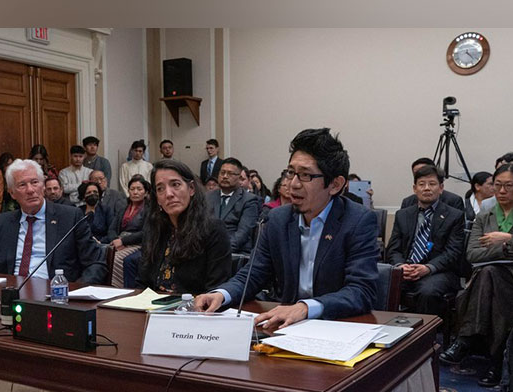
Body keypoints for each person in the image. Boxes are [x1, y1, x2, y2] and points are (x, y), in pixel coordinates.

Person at [194, 128, 380, 330]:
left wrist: (305, 308)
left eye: (306, 175)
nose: (293, 184)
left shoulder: (358, 221)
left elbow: (361, 291)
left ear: (335, 185)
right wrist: (221, 294)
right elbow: (253, 273)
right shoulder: (277, 219)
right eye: (291, 173)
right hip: (285, 329)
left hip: (337, 327)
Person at [0, 159, 106, 284]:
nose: (30, 190)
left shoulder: (70, 217)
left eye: (34, 182)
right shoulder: (1, 223)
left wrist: (74, 291)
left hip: (56, 296)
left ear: (42, 186)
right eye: (22, 185)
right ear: (12, 193)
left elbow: (96, 263)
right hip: (10, 294)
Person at [440, 164, 513, 387]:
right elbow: (473, 255)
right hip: (490, 276)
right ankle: (496, 363)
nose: (501, 191)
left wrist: (507, 238)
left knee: (488, 275)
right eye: (497, 185)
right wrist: (509, 245)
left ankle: (465, 340)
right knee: (490, 275)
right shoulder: (484, 216)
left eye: (508, 186)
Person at [133, 159, 231, 294]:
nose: (168, 194)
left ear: (191, 189)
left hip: (193, 310)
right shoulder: (154, 228)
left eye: (176, 185)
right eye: (160, 189)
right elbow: (142, 282)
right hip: (153, 309)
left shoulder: (213, 229)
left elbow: (215, 290)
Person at [386, 165, 464, 315]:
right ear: (415, 189)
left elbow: (453, 253)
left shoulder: (454, 216)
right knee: (381, 283)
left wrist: (428, 268)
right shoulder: (403, 215)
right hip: (406, 269)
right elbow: (393, 248)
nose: (427, 188)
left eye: (432, 184)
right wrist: (400, 266)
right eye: (422, 184)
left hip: (438, 272)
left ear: (441, 188)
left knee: (427, 292)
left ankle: (426, 336)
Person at [205, 157, 259, 254]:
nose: (225, 176)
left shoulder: (249, 200)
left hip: (236, 253)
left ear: (239, 178)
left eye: (230, 174)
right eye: (222, 173)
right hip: (208, 250)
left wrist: (220, 251)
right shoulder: (208, 197)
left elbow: (242, 234)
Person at [108, 175, 149, 288]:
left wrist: (123, 241)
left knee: (116, 258)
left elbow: (145, 232)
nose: (135, 192)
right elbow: (112, 228)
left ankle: (120, 289)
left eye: (139, 189)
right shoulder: (123, 207)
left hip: (137, 243)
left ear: (145, 193)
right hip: (119, 242)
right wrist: (115, 240)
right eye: (132, 189)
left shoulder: (149, 209)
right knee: (104, 253)